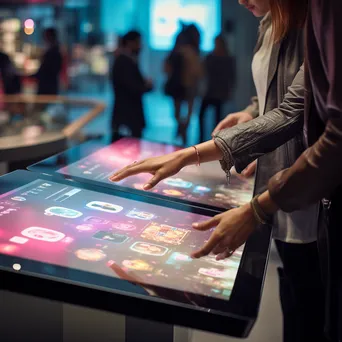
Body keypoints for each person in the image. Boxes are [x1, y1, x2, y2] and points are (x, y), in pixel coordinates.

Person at [113, 0, 342, 340]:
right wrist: (251, 111)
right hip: (282, 181)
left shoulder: (317, 17)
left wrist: (190, 156)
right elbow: (275, 99)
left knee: (312, 307)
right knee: (295, 302)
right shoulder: (269, 23)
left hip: (306, 185)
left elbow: (296, 114)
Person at [164, 24, 202, 145]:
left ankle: (182, 130)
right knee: (185, 114)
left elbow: (167, 68)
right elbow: (198, 71)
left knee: (180, 114)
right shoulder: (190, 51)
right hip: (185, 86)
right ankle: (182, 131)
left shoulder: (179, 50)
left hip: (182, 85)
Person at [111, 30, 153, 138]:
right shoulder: (124, 61)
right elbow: (132, 86)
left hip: (128, 116)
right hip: (127, 116)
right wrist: (146, 86)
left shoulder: (126, 60)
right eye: (138, 43)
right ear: (130, 43)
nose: (141, 46)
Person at [199, 35, 235, 142]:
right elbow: (203, 72)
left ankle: (215, 139)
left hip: (219, 92)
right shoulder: (210, 56)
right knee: (201, 115)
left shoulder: (227, 58)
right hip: (209, 91)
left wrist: (228, 90)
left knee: (217, 118)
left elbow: (231, 76)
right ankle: (202, 138)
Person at [34, 28, 62, 95]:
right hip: (50, 85)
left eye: (45, 36)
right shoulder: (55, 50)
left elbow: (46, 70)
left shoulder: (53, 52)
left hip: (47, 86)